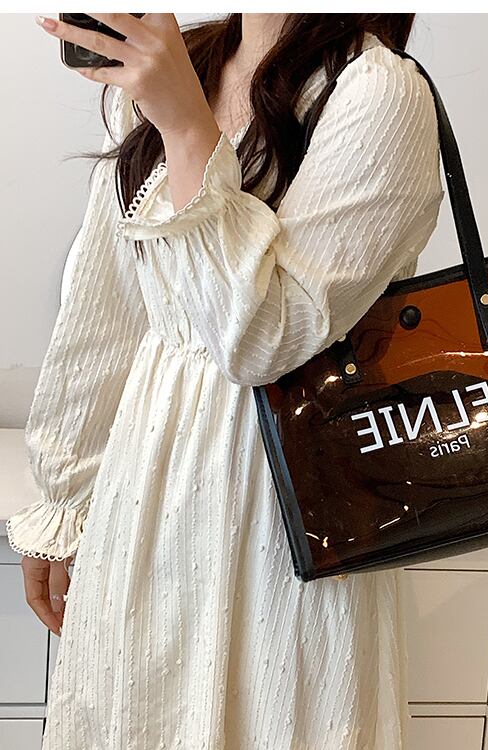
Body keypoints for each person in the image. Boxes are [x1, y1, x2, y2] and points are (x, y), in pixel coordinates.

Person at [8, 12, 444, 750]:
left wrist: (186, 127)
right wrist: (63, 499)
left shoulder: (377, 93)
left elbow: (264, 337)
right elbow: (107, 309)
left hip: (284, 510)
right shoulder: (186, 62)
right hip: (141, 491)